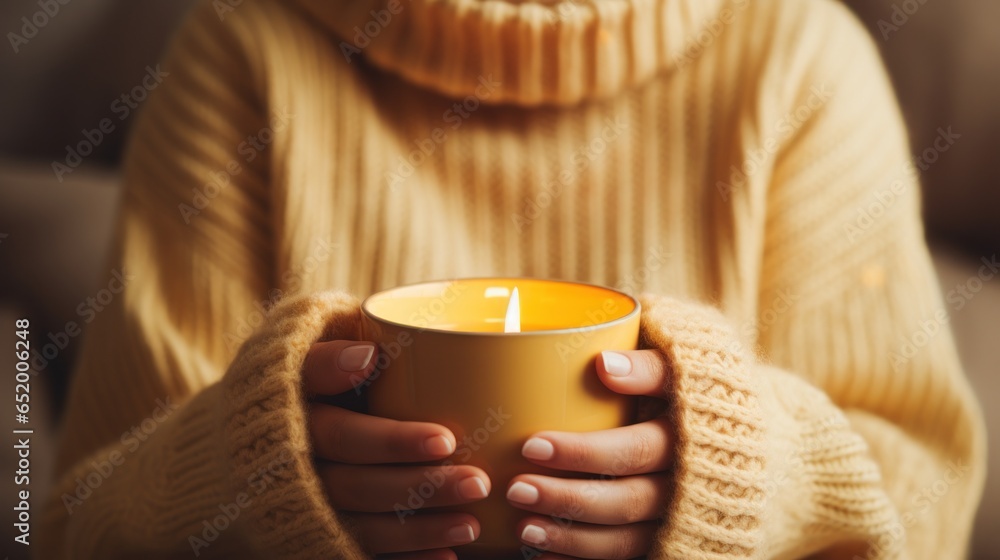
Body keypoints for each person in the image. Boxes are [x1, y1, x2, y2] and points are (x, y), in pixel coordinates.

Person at [41, 0, 986, 558]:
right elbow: (84, 522)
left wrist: (744, 468)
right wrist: (257, 462)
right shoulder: (239, 51)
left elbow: (925, 501)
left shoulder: (798, 58)